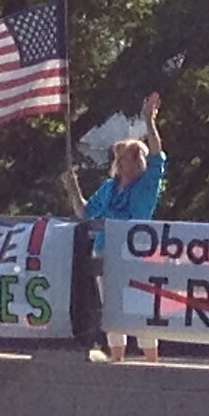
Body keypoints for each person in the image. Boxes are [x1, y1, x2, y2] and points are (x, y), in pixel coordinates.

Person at [60, 92, 167, 362]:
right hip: (105, 250)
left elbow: (156, 154)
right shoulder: (108, 187)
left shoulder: (147, 184)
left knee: (141, 306)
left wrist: (148, 121)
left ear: (137, 161)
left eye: (126, 157)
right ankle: (116, 359)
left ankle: (151, 360)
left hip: (137, 252)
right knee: (111, 307)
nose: (119, 162)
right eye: (118, 157)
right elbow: (86, 212)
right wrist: (73, 188)